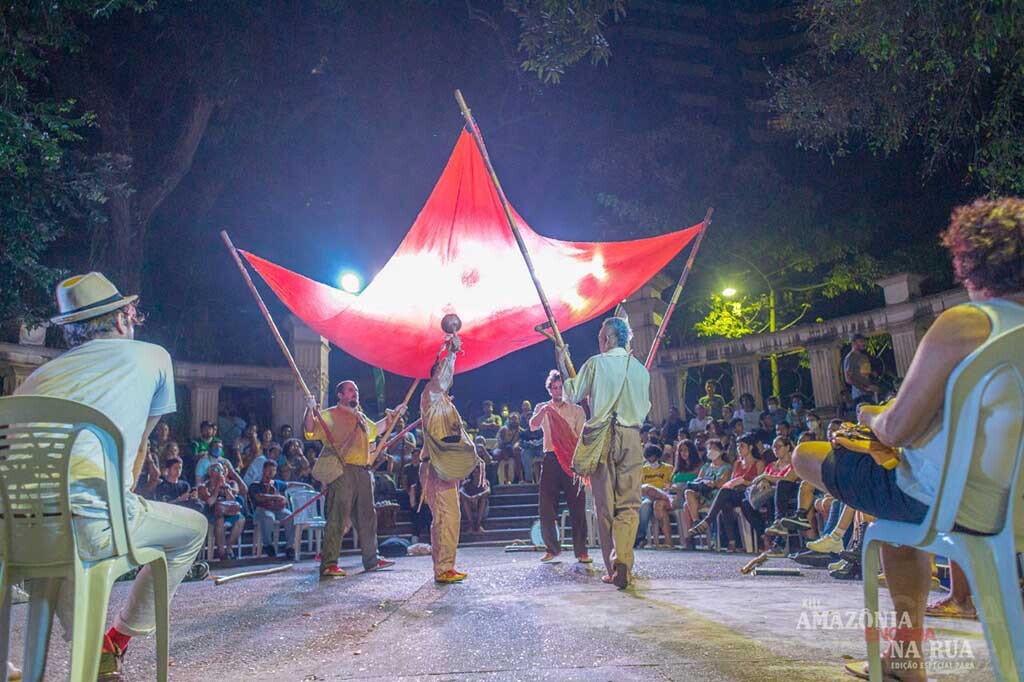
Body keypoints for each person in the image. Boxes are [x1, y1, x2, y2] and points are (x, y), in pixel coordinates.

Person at [791, 197, 1024, 681]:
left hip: (955, 503)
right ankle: (902, 652)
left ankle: (906, 652)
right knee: (894, 482)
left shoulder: (968, 324)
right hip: (1015, 505)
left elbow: (897, 428)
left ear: (970, 263)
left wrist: (871, 415)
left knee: (809, 454)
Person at [12, 272, 208, 679]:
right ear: (121, 321)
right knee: (191, 529)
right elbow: (138, 447)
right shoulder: (153, 356)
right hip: (90, 520)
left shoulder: (37, 378)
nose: (135, 319)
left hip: (15, 531)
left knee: (67, 547)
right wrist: (123, 495)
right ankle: (116, 641)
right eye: (131, 312)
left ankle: (79, 655)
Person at [558, 316, 650, 589]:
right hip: (632, 437)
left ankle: (614, 567)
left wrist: (563, 363)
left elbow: (572, 394)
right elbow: (645, 409)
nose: (599, 342)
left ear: (608, 339)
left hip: (602, 437)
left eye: (600, 338)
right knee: (630, 505)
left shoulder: (596, 364)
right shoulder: (640, 370)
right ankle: (622, 559)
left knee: (605, 507)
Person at [303, 379, 399, 578]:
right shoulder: (330, 414)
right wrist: (309, 409)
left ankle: (372, 560)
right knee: (337, 516)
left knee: (368, 517)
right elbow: (311, 430)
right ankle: (329, 564)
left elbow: (377, 430)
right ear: (340, 395)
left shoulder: (361, 417)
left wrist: (395, 414)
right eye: (350, 390)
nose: (355, 393)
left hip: (363, 471)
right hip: (342, 470)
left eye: (356, 390)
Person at [419, 332, 480, 583]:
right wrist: (452, 353)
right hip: (435, 466)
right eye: (443, 370)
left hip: (443, 465)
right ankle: (443, 569)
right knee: (446, 517)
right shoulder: (431, 394)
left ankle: (445, 566)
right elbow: (443, 380)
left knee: (447, 517)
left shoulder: (443, 402)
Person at [529, 369, 589, 564]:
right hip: (551, 459)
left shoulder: (576, 410)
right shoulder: (542, 407)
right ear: (549, 390)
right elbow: (532, 426)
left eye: (560, 387)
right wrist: (544, 412)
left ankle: (581, 551)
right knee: (546, 507)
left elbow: (581, 437)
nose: (557, 391)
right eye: (554, 388)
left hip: (571, 460)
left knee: (577, 506)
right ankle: (552, 549)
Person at [689, 433, 765, 552]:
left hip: (749, 493)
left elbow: (759, 483)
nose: (739, 449)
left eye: (742, 446)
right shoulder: (737, 463)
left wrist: (744, 481)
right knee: (726, 502)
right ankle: (731, 541)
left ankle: (707, 522)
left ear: (750, 447)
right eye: (738, 447)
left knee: (725, 493)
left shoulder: (758, 463)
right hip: (736, 493)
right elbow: (732, 481)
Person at [199, 462, 246, 561]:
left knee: (241, 519)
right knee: (219, 520)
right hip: (211, 513)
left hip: (227, 511)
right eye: (216, 470)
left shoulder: (230, 485)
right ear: (210, 472)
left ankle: (228, 549)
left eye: (221, 470)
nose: (219, 473)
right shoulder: (204, 486)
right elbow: (210, 502)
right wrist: (217, 487)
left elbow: (232, 500)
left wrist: (224, 486)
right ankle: (221, 552)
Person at [248, 460, 295, 558]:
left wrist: (306, 486)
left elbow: (289, 484)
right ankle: (268, 545)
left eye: (273, 470)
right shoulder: (255, 485)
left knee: (289, 515)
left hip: (277, 509)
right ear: (264, 470)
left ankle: (290, 546)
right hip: (261, 509)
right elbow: (258, 497)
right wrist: (275, 497)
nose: (271, 472)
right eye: (269, 470)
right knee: (268, 517)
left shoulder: (277, 483)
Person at [636, 444, 675, 548]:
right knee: (644, 506)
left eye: (652, 456)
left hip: (662, 494)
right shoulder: (643, 470)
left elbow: (671, 484)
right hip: (647, 496)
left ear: (658, 456)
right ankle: (640, 537)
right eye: (648, 457)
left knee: (655, 501)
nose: (650, 459)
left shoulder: (668, 468)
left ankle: (665, 540)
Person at [403, 448, 432, 544]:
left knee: (429, 516)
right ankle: (415, 541)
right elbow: (407, 486)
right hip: (417, 500)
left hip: (428, 500)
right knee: (417, 517)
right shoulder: (414, 486)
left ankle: (433, 541)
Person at [844, 333, 880, 406]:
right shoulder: (850, 357)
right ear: (853, 343)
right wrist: (865, 388)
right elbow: (848, 379)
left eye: (864, 341)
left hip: (871, 394)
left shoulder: (864, 357)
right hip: (860, 396)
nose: (864, 343)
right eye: (861, 341)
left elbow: (865, 374)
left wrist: (873, 375)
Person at [518, 401, 545, 484]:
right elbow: (521, 443)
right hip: (530, 450)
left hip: (541, 450)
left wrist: (538, 443)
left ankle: (550, 478)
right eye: (528, 418)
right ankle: (529, 479)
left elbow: (546, 439)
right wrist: (528, 444)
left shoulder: (542, 430)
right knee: (524, 453)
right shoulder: (524, 432)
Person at [493, 412, 522, 485]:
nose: (514, 421)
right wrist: (504, 451)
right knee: (497, 455)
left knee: (517, 454)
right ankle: (498, 480)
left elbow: (519, 441)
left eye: (515, 419)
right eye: (512, 419)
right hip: (501, 449)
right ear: (509, 420)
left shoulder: (520, 431)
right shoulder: (503, 429)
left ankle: (519, 478)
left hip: (512, 451)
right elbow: (499, 440)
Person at [459, 468, 490, 533]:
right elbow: (460, 491)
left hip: (481, 509)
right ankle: (471, 525)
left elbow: (488, 491)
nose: (476, 474)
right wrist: (469, 498)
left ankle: (478, 524)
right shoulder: (467, 483)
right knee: (465, 501)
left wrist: (478, 496)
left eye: (478, 472)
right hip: (469, 508)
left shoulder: (484, 482)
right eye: (474, 472)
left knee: (483, 499)